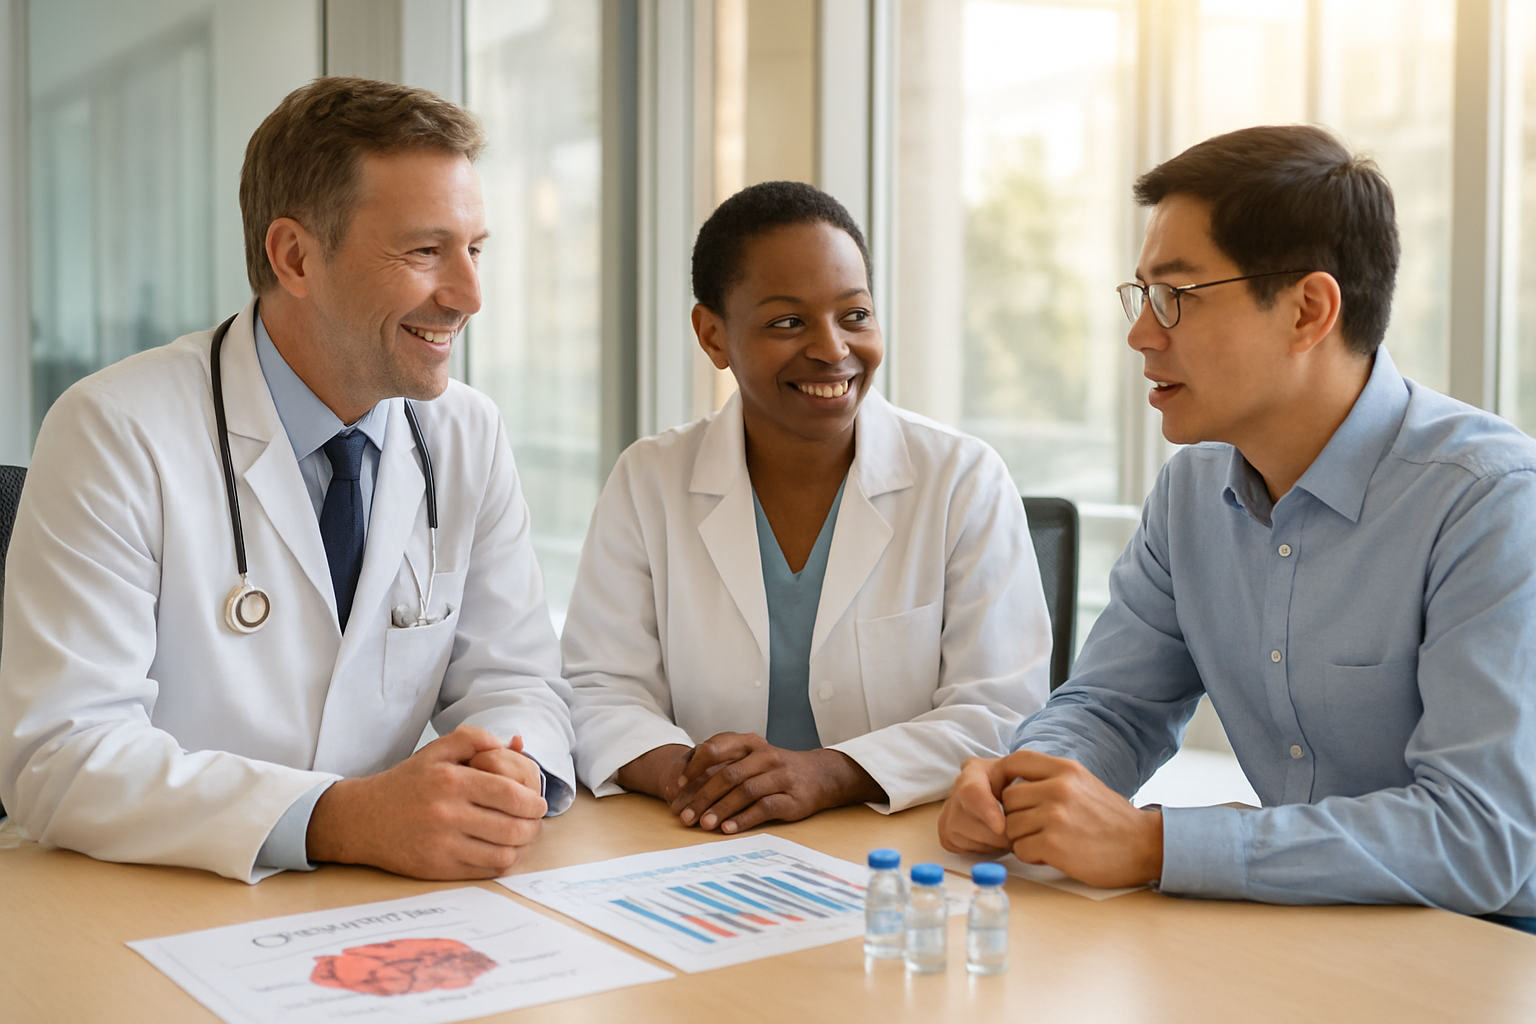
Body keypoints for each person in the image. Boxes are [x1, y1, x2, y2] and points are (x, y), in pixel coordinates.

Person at [937, 125, 1536, 932]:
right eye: (1143, 294)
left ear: (1308, 310)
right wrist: (1029, 783)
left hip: (1485, 954)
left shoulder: (1491, 501)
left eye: (1177, 297)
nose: (1142, 335)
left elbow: (1478, 834)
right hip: (1297, 933)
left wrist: (1155, 846)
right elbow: (1116, 706)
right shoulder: (1189, 493)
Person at [0, 78, 576, 883]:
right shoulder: (114, 430)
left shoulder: (466, 431)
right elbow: (59, 757)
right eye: (424, 251)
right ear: (295, 256)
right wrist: (340, 818)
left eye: (474, 249)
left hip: (378, 905)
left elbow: (518, 681)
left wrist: (510, 771)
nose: (469, 296)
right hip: (157, 907)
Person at [563, 181, 1051, 835]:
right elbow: (599, 687)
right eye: (787, 322)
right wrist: (694, 777)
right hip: (697, 845)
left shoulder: (962, 480)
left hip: (900, 851)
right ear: (713, 336)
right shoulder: (649, 479)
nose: (831, 348)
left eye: (854, 315)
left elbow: (999, 711)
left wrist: (828, 774)